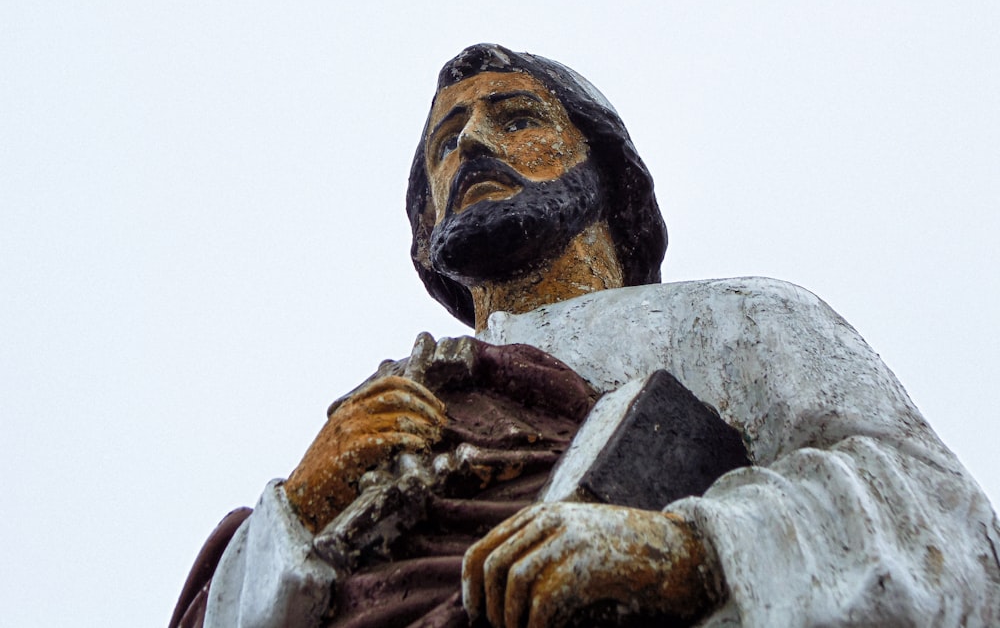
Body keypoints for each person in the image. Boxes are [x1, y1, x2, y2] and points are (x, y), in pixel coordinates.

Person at [170, 44, 1000, 628]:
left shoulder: (739, 320)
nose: (473, 146)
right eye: (445, 142)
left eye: (516, 116)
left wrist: (682, 551)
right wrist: (302, 505)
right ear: (425, 238)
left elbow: (944, 521)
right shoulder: (381, 410)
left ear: (606, 169)